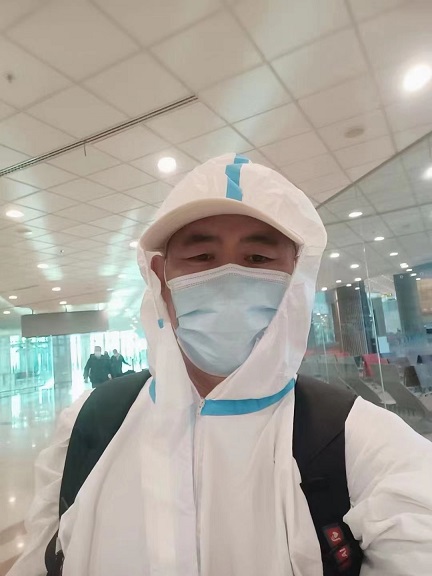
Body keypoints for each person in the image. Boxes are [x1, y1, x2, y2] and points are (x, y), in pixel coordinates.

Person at [8, 154, 432, 576]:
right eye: (202, 256)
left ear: (296, 279)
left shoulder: (364, 443)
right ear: (161, 278)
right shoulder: (87, 426)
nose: (229, 279)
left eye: (257, 259)